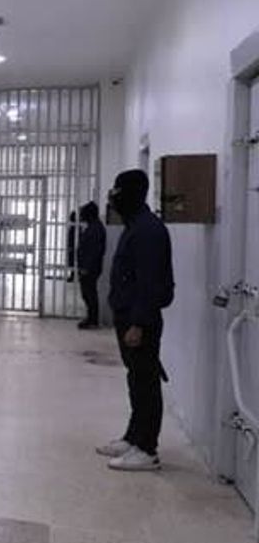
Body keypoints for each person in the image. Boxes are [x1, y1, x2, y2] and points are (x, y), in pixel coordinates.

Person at [96, 170, 174, 472]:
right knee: (136, 379)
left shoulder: (148, 231)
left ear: (131, 194)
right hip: (129, 315)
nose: (112, 199)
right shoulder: (136, 226)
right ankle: (133, 437)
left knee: (146, 382)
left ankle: (147, 449)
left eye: (116, 192)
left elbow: (149, 283)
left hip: (139, 320)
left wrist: (138, 323)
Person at [76, 201, 107, 329]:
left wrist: (86, 267)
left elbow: (94, 251)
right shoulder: (94, 227)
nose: (81, 216)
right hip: (90, 267)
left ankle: (92, 319)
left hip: (90, 268)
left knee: (89, 293)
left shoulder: (95, 229)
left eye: (83, 214)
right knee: (88, 293)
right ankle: (91, 318)